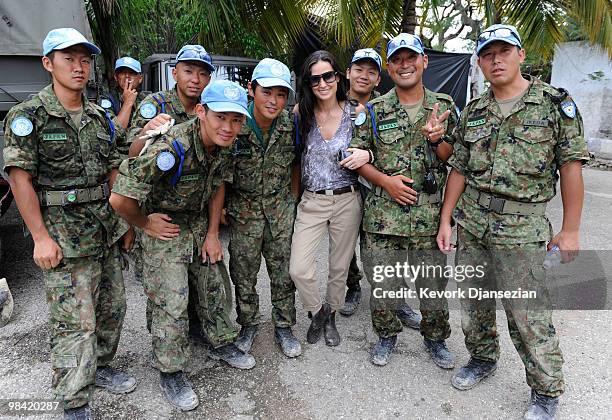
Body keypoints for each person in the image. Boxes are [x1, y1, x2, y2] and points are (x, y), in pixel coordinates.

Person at [437, 24, 589, 420]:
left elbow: (571, 169)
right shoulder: (474, 110)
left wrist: (570, 230)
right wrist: (447, 219)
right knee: (474, 303)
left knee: (528, 315)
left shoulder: (554, 104)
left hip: (522, 228)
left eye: (504, 51)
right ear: (480, 63)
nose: (495, 60)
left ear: (521, 55)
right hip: (473, 223)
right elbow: (459, 168)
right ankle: (482, 358)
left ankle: (546, 390)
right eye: (487, 54)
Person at [2, 28, 136, 420]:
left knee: (113, 308)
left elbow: (114, 169)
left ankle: (100, 366)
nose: (78, 67)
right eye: (68, 59)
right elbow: (19, 178)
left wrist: (124, 222)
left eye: (84, 60)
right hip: (62, 236)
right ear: (48, 63)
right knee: (74, 321)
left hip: (103, 231)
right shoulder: (29, 116)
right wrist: (40, 237)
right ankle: (74, 399)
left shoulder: (98, 116)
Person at [109, 80, 256, 411]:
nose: (229, 127)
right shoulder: (170, 147)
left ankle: (220, 342)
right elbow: (119, 198)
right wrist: (145, 223)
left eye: (236, 119)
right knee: (171, 301)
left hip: (200, 223)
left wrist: (213, 233)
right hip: (165, 225)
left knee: (214, 286)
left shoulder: (227, 143)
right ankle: (170, 370)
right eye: (221, 117)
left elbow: (217, 185)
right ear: (202, 112)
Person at [351, 33, 457, 368]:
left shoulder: (444, 106)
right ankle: (386, 335)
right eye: (397, 59)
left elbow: (453, 158)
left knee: (433, 285)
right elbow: (357, 157)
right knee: (383, 283)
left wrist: (438, 139)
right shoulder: (373, 110)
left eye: (411, 58)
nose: (404, 64)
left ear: (424, 61)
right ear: (389, 68)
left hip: (428, 215)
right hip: (384, 216)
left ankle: (435, 338)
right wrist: (386, 182)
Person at [126, 44, 214, 338]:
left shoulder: (210, 108)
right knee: (166, 292)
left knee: (203, 284)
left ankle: (197, 332)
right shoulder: (156, 104)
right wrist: (145, 131)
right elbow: (130, 155)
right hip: (162, 213)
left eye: (202, 73)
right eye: (188, 71)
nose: (195, 79)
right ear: (175, 73)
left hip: (197, 213)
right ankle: (165, 347)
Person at [289, 50, 370, 347]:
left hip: (347, 199)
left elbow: (377, 150)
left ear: (338, 76)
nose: (322, 83)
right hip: (312, 200)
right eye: (315, 79)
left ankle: (331, 316)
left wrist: (369, 153)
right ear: (308, 83)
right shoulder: (302, 114)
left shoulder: (356, 112)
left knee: (339, 268)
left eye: (327, 76)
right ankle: (317, 310)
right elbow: (294, 158)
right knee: (299, 267)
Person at [341, 47, 422, 329]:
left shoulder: (385, 106)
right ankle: (353, 286)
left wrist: (371, 157)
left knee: (383, 245)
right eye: (359, 69)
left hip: (375, 188)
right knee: (346, 246)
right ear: (347, 73)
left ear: (378, 78)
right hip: (340, 188)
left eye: (371, 71)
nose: (364, 76)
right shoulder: (329, 104)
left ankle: (396, 300)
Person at [228, 58, 301, 358]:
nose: (274, 101)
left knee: (283, 274)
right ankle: (248, 324)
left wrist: (292, 201)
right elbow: (221, 173)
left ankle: (284, 325)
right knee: (243, 272)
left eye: (281, 94)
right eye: (267, 92)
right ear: (251, 89)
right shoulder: (235, 122)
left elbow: (296, 163)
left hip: (280, 212)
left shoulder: (289, 125)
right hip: (244, 214)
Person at [99, 57, 147, 139]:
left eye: (132, 73)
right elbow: (114, 132)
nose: (127, 76)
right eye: (122, 73)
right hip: (117, 149)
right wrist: (127, 102)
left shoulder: (147, 99)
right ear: (116, 77)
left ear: (140, 79)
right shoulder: (106, 99)